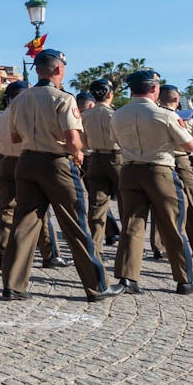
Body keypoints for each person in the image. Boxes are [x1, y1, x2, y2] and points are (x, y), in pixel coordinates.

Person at [2, 49, 120, 302]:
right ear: (58, 69)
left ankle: (13, 284)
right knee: (75, 224)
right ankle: (97, 285)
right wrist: (77, 155)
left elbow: (14, 137)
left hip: (27, 161)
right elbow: (72, 139)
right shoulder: (64, 99)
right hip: (57, 163)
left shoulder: (20, 100)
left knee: (25, 223)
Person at [111, 70, 193, 294]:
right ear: (154, 89)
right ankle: (185, 279)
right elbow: (191, 147)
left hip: (130, 170)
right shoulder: (165, 115)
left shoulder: (118, 114)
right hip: (160, 170)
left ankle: (127, 277)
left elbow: (115, 140)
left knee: (132, 225)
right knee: (173, 225)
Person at [158, 85, 193, 259]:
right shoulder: (182, 118)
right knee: (192, 205)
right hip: (181, 160)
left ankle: (160, 246)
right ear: (176, 100)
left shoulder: (153, 114)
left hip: (161, 161)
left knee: (161, 206)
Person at [80, 78, 123, 255]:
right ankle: (127, 247)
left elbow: (82, 142)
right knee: (126, 203)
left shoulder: (84, 116)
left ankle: (95, 248)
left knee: (97, 205)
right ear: (110, 94)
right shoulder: (116, 115)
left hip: (95, 158)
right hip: (117, 157)